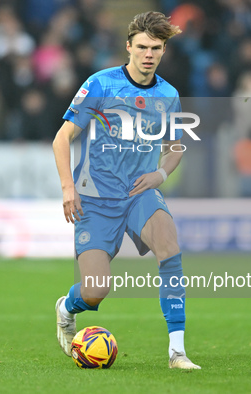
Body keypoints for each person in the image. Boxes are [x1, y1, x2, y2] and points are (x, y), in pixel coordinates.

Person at [52, 11, 200, 370]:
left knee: (170, 248)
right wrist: (68, 188)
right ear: (129, 47)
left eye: (157, 48)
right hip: (95, 199)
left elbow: (175, 147)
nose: (149, 54)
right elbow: (62, 138)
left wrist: (161, 175)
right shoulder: (101, 84)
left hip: (139, 193)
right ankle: (66, 306)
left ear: (164, 50)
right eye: (143, 47)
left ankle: (177, 352)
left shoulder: (168, 95)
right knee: (95, 291)